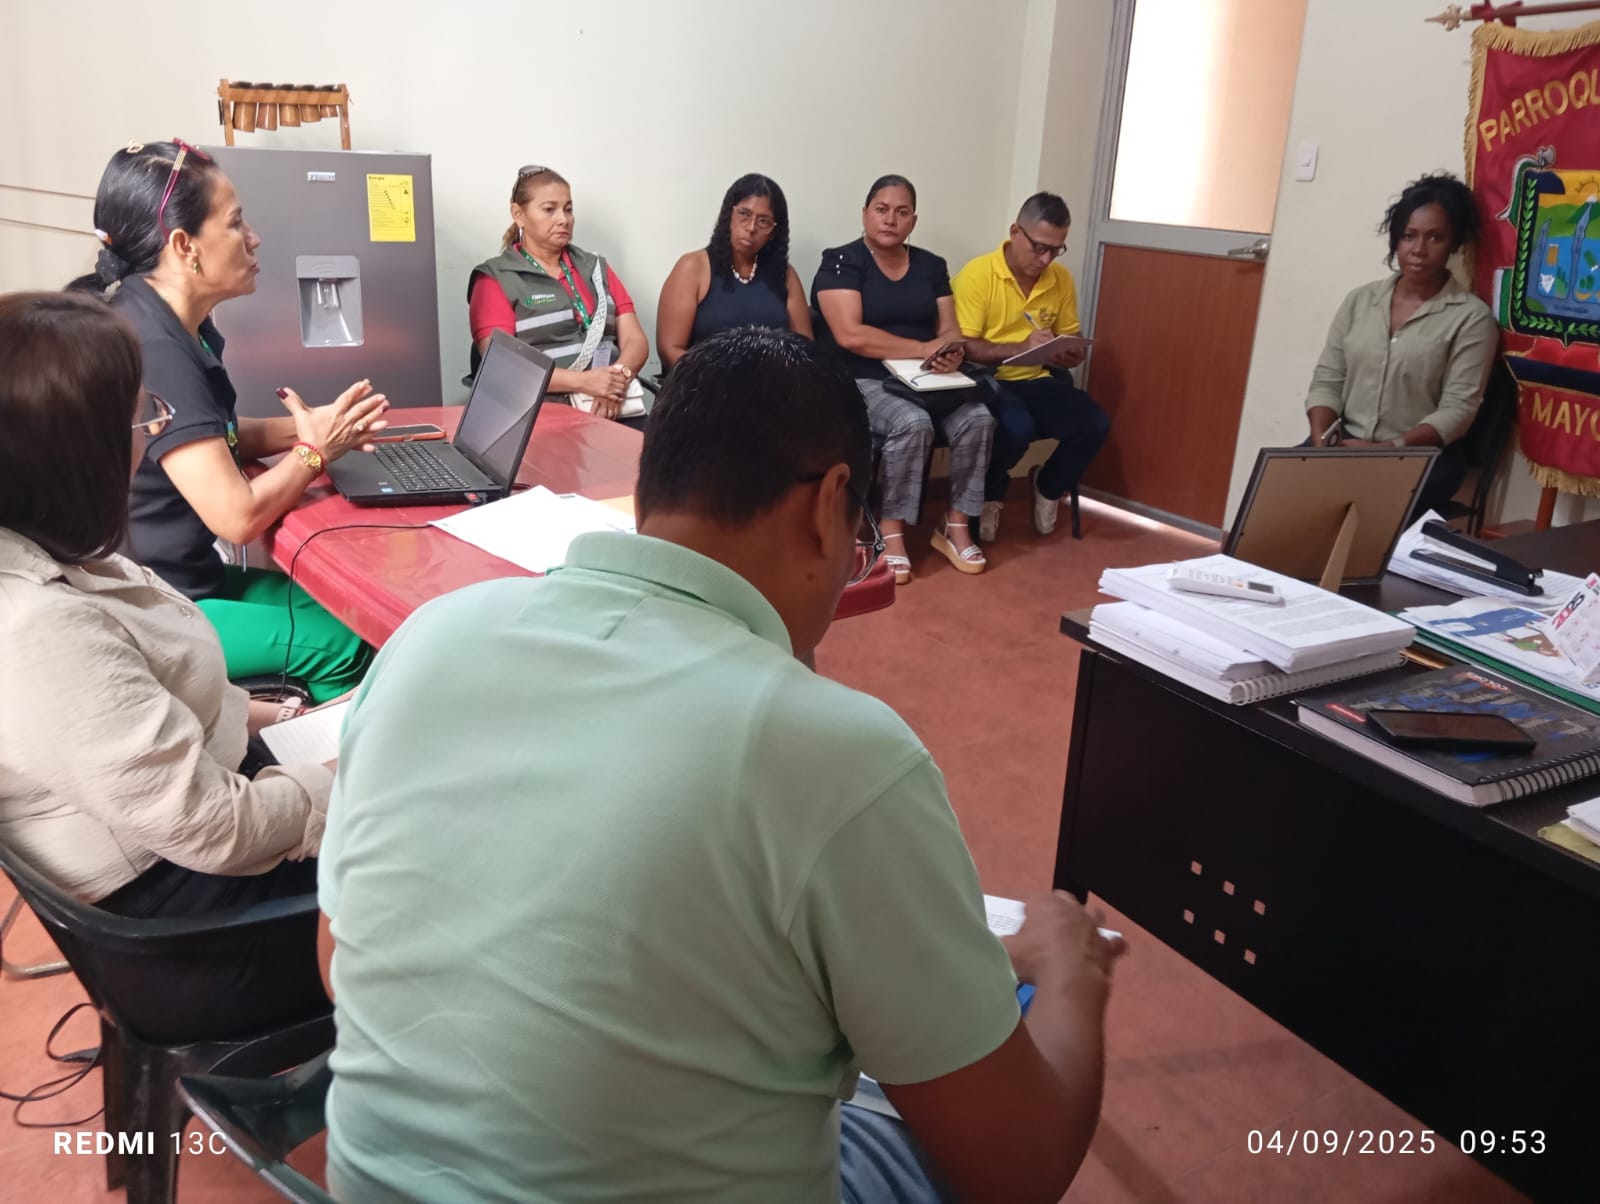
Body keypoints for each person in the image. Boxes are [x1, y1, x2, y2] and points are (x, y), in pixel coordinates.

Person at [316, 328, 1124, 1203]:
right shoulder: (842, 757)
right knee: (987, 1047)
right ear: (830, 504)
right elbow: (1019, 1171)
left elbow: (338, 955)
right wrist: (1071, 966)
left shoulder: (431, 637)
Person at [0, 291, 332, 1044]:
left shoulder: (57, 546)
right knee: (457, 832)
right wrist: (345, 778)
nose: (152, 432)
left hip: (203, 838)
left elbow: (157, 703)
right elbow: (220, 829)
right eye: (138, 417)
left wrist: (284, 719)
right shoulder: (32, 630)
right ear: (70, 448)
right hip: (200, 934)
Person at [67, 139, 385, 704]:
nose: (254, 238)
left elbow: (210, 437)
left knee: (359, 614)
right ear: (184, 245)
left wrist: (319, 425)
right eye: (236, 223)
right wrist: (314, 453)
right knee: (347, 647)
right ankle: (299, 751)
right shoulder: (155, 349)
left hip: (181, 578)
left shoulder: (162, 318)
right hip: (154, 608)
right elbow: (237, 517)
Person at [813, 175, 993, 581]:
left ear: (914, 220)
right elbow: (850, 335)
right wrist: (923, 347)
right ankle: (890, 532)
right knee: (912, 423)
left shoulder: (932, 265)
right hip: (860, 379)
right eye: (881, 209)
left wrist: (950, 351)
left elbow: (950, 329)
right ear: (865, 213)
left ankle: (955, 525)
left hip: (927, 379)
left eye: (902, 211)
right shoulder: (841, 262)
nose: (890, 219)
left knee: (979, 418)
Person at [1305, 172, 1499, 515]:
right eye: (1409, 236)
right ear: (1396, 239)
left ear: (1455, 244)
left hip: (1419, 457)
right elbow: (1327, 379)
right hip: (1345, 444)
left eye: (1435, 237)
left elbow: (1457, 411)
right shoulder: (1360, 301)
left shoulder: (1472, 318)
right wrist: (1322, 442)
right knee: (1274, 495)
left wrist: (1388, 449)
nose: (1418, 250)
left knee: (1353, 507)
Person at [952, 192, 1111, 543]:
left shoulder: (1060, 279)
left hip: (1038, 379)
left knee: (1095, 422)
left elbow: (1071, 334)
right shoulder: (978, 275)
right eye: (1039, 247)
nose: (1045, 259)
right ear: (1015, 232)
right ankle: (990, 495)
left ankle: (1049, 485)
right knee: (1016, 428)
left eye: (1055, 250)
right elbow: (964, 346)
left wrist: (1071, 352)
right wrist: (1020, 347)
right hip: (987, 380)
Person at [469, 165, 650, 429]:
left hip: (617, 406)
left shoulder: (595, 267)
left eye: (568, 209)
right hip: (544, 418)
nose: (563, 219)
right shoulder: (496, 278)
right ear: (518, 214)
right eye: (549, 209)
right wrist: (585, 383)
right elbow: (503, 367)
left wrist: (616, 380)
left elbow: (636, 340)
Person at [655, 173, 813, 368]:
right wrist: (715, 379)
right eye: (744, 214)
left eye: (763, 221)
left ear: (773, 231)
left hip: (773, 382)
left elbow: (805, 350)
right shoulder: (693, 267)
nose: (751, 227)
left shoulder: (785, 275)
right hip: (703, 381)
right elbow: (670, 349)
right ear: (728, 215)